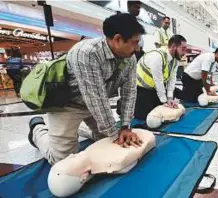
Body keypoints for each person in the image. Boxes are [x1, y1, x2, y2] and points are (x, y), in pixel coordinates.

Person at [27, 13, 146, 165]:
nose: (137, 48)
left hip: (94, 106)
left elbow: (129, 92)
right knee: (61, 159)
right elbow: (96, 98)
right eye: (134, 43)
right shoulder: (86, 53)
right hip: (68, 104)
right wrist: (115, 134)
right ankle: (38, 129)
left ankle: (77, 130)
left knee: (108, 141)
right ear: (117, 39)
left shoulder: (129, 59)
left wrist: (125, 126)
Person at [134, 35, 187, 120]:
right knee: (146, 118)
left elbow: (172, 79)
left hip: (154, 89)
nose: (184, 53)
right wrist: (164, 101)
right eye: (183, 49)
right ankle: (121, 105)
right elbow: (158, 80)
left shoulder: (175, 60)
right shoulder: (157, 56)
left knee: (163, 113)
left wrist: (169, 98)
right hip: (140, 89)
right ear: (173, 46)